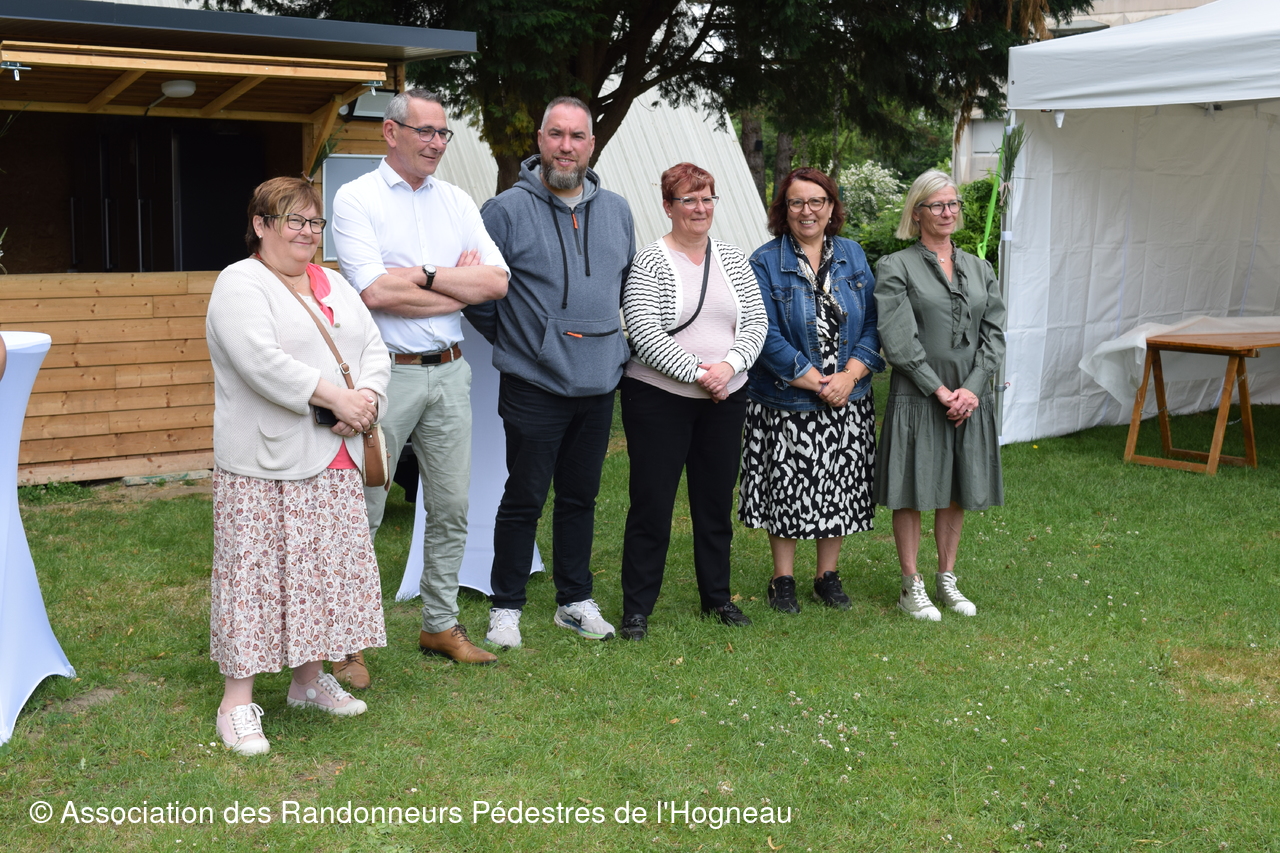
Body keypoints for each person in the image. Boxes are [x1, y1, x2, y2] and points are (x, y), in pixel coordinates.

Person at [205, 176, 390, 756]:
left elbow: (374, 348)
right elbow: (261, 362)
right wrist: (337, 399)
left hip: (334, 457)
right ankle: (235, 705)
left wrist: (367, 400)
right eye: (295, 221)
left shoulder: (333, 282)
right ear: (261, 225)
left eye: (315, 222)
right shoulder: (240, 282)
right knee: (254, 580)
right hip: (264, 463)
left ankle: (308, 683)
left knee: (322, 576)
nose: (308, 232)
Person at [332, 89, 509, 671]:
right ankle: (346, 640)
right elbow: (373, 292)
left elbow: (496, 282)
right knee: (365, 508)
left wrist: (423, 275)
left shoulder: (456, 200)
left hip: (451, 371)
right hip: (386, 376)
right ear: (391, 132)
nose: (436, 143)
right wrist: (455, 285)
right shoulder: (356, 198)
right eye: (425, 131)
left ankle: (439, 625)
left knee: (452, 506)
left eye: (443, 133)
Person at [467, 96, 636, 649]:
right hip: (534, 383)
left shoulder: (618, 211)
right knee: (524, 498)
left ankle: (574, 601)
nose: (566, 146)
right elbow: (478, 295)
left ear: (592, 145)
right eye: (556, 135)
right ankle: (506, 607)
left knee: (580, 499)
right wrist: (523, 343)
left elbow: (622, 288)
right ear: (540, 140)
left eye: (577, 136)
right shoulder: (504, 211)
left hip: (598, 382)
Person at [616, 163, 767, 640]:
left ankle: (717, 598)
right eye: (688, 200)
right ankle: (637, 608)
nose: (700, 208)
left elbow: (756, 322)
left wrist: (730, 368)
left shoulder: (732, 258)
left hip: (725, 398)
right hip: (658, 399)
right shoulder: (650, 261)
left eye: (707, 199)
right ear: (668, 206)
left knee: (714, 503)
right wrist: (703, 374)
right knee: (652, 504)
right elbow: (644, 332)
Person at [739, 167, 884, 614]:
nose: (807, 211)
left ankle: (827, 576)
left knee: (837, 485)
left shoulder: (853, 255)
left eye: (816, 201)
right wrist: (816, 380)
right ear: (783, 210)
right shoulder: (765, 261)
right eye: (797, 202)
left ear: (831, 207)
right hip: (786, 398)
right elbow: (762, 332)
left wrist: (849, 377)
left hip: (847, 396)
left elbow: (874, 322)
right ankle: (782, 579)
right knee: (786, 488)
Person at [874, 169, 1006, 621]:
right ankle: (910, 584)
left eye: (953, 204)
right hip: (919, 394)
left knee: (956, 486)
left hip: (969, 397)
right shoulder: (896, 266)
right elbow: (897, 339)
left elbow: (995, 334)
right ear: (917, 212)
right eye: (937, 205)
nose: (947, 212)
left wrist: (972, 389)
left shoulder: (980, 268)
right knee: (913, 488)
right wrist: (940, 390)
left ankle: (946, 577)